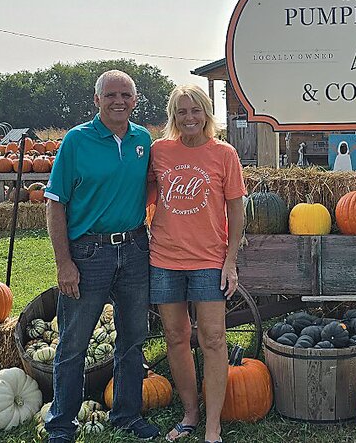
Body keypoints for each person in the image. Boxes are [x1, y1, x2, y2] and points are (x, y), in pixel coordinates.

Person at [43, 70, 159, 442]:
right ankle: (62, 424)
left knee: (133, 338)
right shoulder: (76, 141)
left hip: (136, 248)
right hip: (89, 252)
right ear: (97, 100)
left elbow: (159, 184)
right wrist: (65, 262)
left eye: (126, 95)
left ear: (135, 100)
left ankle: (126, 415)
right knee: (74, 342)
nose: (118, 101)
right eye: (111, 95)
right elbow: (55, 205)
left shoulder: (143, 139)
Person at [146, 84, 245, 443]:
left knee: (214, 339)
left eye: (196, 111)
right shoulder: (159, 151)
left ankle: (212, 426)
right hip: (164, 259)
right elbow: (143, 192)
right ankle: (190, 413)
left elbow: (236, 208)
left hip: (208, 259)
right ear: (173, 117)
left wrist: (229, 262)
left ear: (206, 113)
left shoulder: (224, 154)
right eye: (182, 112)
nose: (190, 118)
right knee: (175, 336)